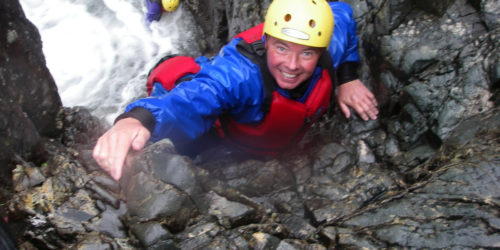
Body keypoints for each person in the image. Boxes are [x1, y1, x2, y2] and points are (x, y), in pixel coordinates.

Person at [93, 0, 379, 180]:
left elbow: (344, 13)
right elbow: (193, 101)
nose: (292, 65)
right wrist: (136, 120)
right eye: (281, 48)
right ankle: (171, 68)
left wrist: (347, 78)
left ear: (321, 50)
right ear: (266, 42)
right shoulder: (240, 76)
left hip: (266, 139)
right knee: (176, 119)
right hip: (217, 132)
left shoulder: (331, 41)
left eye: (307, 54)